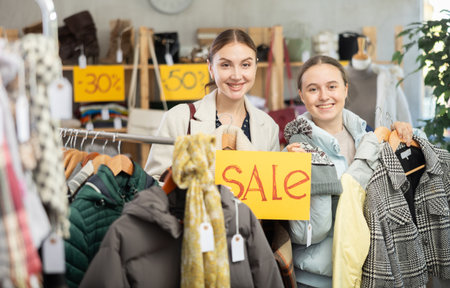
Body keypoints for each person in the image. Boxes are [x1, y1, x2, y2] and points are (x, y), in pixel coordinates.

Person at [284, 55, 415, 287]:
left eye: (332, 86)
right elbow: (302, 235)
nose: (324, 96)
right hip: (316, 279)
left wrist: (398, 134)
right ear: (301, 95)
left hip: (370, 271)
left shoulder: (370, 139)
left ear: (345, 89)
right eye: (313, 89)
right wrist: (291, 171)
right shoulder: (294, 150)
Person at [144, 29, 280, 180]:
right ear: (210, 68)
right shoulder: (178, 118)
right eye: (226, 65)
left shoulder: (268, 127)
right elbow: (153, 183)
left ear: (255, 67)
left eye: (245, 65)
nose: (236, 75)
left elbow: (272, 186)